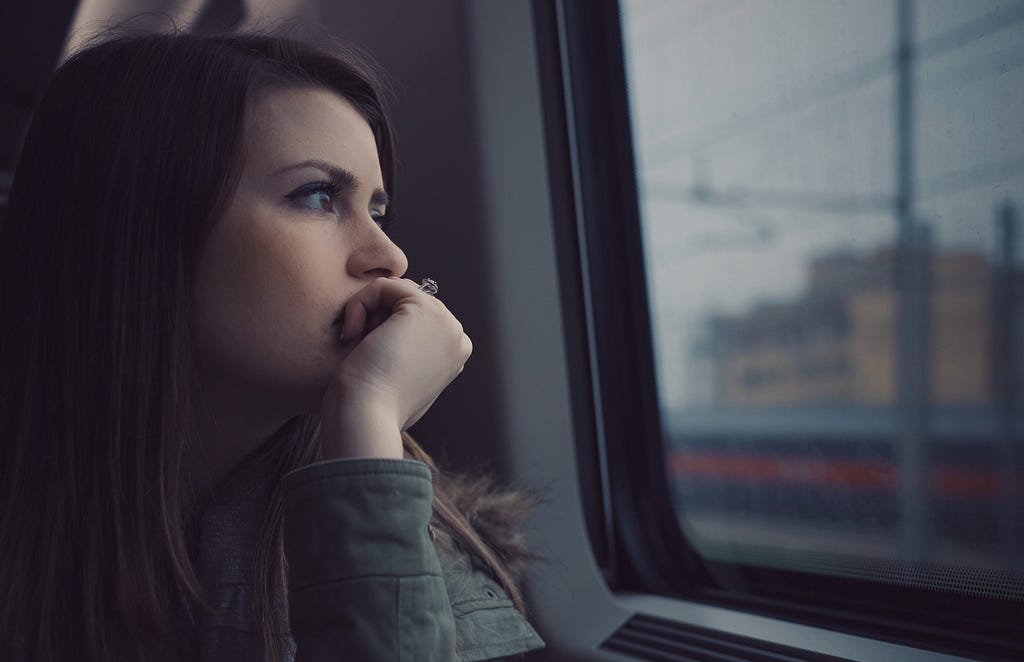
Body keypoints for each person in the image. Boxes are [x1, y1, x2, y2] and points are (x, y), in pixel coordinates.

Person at [0, 31, 544, 662]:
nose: (389, 256)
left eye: (378, 209)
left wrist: (366, 425)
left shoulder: (424, 544)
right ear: (137, 234)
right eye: (318, 196)